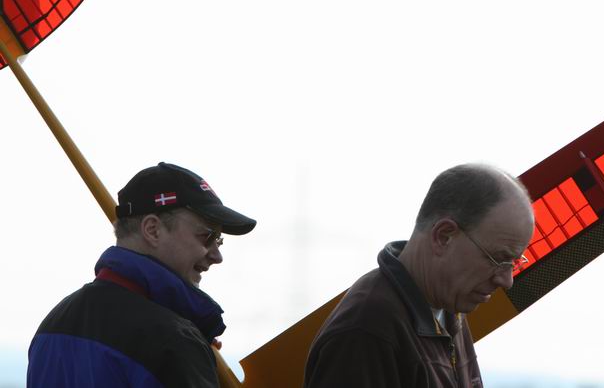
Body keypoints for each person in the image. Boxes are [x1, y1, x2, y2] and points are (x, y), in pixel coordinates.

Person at [303, 163, 534, 388]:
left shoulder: (448, 307)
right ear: (444, 236)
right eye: (498, 259)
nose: (507, 281)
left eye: (513, 263)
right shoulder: (366, 333)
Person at [27, 162, 257, 388]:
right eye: (207, 237)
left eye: (219, 241)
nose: (217, 256)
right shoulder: (172, 342)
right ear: (152, 230)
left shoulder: (52, 326)